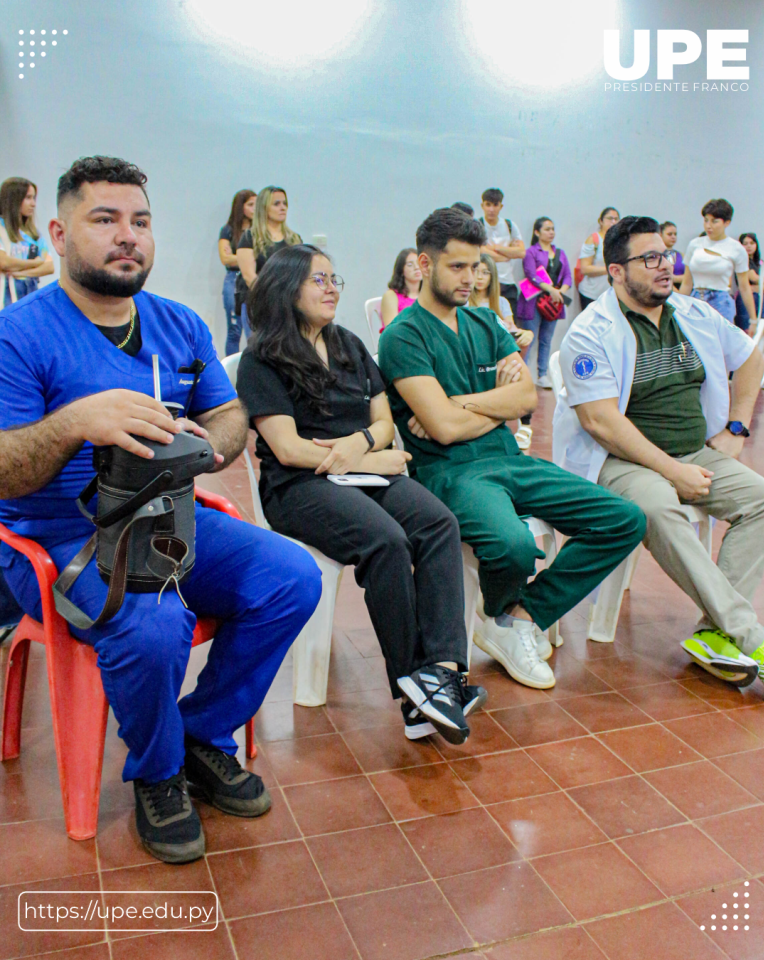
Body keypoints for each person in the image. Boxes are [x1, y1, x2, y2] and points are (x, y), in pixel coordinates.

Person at [0, 157, 321, 864]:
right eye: (105, 220)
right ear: (58, 232)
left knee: (292, 577)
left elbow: (230, 416)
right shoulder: (18, 334)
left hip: (171, 519)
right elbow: (6, 472)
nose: (128, 237)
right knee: (155, 622)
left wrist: (209, 449)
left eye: (140, 222)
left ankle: (200, 735)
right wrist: (77, 421)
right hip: (57, 541)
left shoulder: (177, 325)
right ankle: (158, 774)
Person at [378, 208, 646, 691]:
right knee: (513, 546)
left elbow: (526, 399)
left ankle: (517, 616)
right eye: (457, 267)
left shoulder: (485, 322)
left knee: (624, 519)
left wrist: (460, 403)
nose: (471, 278)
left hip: (510, 460)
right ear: (424, 263)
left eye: (476, 266)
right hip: (450, 473)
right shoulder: (403, 335)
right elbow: (438, 430)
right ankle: (501, 616)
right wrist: (489, 408)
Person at [236, 243, 486, 744]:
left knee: (439, 524)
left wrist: (363, 443)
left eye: (334, 280)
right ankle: (412, 684)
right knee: (387, 541)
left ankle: (441, 669)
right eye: (319, 280)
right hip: (299, 487)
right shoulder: (262, 359)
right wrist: (370, 457)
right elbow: (286, 449)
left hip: (363, 473)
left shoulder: (349, 344)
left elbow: (384, 420)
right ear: (287, 289)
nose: (332, 289)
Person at [554, 215, 764, 687]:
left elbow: (751, 356)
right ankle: (749, 635)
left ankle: (716, 633)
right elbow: (601, 423)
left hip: (696, 451)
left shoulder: (692, 313)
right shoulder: (591, 332)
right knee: (657, 506)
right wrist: (672, 471)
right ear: (615, 271)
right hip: (620, 462)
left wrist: (736, 426)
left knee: (763, 499)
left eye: (665, 255)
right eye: (649, 259)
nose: (664, 265)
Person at [469, 253, 535, 450]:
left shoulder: (501, 302)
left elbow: (510, 331)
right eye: (476, 272)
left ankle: (525, 425)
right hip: (474, 356)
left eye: (485, 272)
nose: (480, 277)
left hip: (497, 354)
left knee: (517, 368)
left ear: (492, 277)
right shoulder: (465, 302)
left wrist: (526, 333)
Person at [235, 186, 302, 342]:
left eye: (285, 203)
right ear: (264, 208)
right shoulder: (249, 237)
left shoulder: (294, 239)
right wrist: (273, 298)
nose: (282, 207)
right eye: (276, 204)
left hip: (289, 305)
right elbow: (249, 276)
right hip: (259, 304)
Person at [680, 199, 757, 330]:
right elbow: (687, 283)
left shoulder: (736, 248)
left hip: (721, 301)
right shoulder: (695, 244)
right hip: (696, 299)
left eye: (715, 221)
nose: (708, 226)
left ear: (727, 222)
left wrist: (753, 320)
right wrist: (678, 308)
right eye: (706, 220)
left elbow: (744, 287)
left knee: (721, 345)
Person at [516, 217, 572, 389]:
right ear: (537, 232)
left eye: (552, 229)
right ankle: (521, 376)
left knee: (546, 339)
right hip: (533, 302)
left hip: (553, 304)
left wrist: (560, 292)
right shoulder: (531, 252)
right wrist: (551, 290)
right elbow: (531, 274)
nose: (551, 232)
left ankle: (542, 375)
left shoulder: (560, 252)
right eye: (547, 229)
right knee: (528, 339)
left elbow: (568, 276)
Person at [0, 177, 54, 307]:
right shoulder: (1, 228)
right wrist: (34, 263)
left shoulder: (34, 234)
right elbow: (3, 262)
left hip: (29, 294)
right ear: (14, 199)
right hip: (5, 296)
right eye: (28, 198)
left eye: (34, 198)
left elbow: (49, 267)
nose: (33, 204)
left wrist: (21, 273)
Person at [219, 188, 256, 356]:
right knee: (234, 330)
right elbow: (225, 259)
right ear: (240, 207)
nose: (255, 208)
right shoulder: (227, 230)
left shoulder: (258, 232)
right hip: (233, 280)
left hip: (253, 280)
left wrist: (237, 257)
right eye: (250, 205)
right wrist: (248, 256)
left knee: (253, 331)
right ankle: (230, 374)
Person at [477, 188, 525, 313]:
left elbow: (521, 252)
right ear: (482, 205)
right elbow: (480, 251)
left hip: (507, 283)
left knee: (508, 324)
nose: (491, 209)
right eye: (488, 205)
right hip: (483, 283)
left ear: (501, 206)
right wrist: (507, 254)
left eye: (495, 205)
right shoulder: (478, 225)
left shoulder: (510, 225)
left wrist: (496, 248)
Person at [576, 207, 620, 311]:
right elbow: (585, 268)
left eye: (616, 219)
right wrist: (611, 269)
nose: (613, 222)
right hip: (591, 293)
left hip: (611, 293)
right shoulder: (594, 239)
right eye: (610, 218)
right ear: (601, 221)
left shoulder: (620, 241)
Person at [380, 247, 422, 329]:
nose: (416, 268)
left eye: (419, 263)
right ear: (401, 270)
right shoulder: (391, 296)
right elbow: (392, 330)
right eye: (410, 265)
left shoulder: (428, 295)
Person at [735, 233, 764, 332]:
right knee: (747, 330)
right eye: (745, 243)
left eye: (752, 243)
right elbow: (754, 278)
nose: (749, 246)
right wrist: (761, 285)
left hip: (760, 298)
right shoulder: (742, 261)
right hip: (745, 300)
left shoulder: (759, 263)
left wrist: (760, 287)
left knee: (762, 328)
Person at [659, 221, 685, 289]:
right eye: (669, 234)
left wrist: (675, 278)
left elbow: (689, 277)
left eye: (675, 234)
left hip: (682, 291)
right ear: (660, 235)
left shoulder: (681, 255)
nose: (673, 237)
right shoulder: (657, 255)